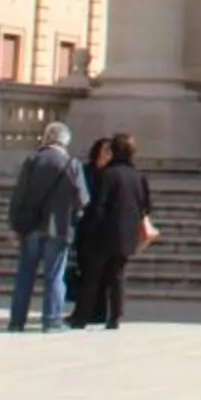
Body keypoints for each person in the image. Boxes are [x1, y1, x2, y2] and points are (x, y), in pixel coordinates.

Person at [6, 120, 86, 331]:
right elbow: (82, 199)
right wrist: (74, 218)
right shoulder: (72, 164)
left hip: (31, 226)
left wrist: (14, 225)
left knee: (25, 275)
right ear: (65, 141)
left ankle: (17, 320)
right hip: (58, 228)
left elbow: (19, 195)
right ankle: (51, 320)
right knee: (54, 276)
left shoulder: (33, 160)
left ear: (47, 138)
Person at [74, 134, 153, 330]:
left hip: (103, 234)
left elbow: (99, 205)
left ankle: (82, 316)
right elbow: (146, 206)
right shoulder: (138, 176)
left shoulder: (108, 174)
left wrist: (90, 229)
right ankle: (115, 317)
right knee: (117, 277)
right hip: (126, 236)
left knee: (92, 277)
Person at [66, 136, 117, 322]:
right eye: (104, 149)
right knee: (85, 273)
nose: (107, 154)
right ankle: (84, 311)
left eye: (110, 151)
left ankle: (97, 312)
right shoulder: (86, 170)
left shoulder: (113, 174)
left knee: (101, 276)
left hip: (104, 230)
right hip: (85, 228)